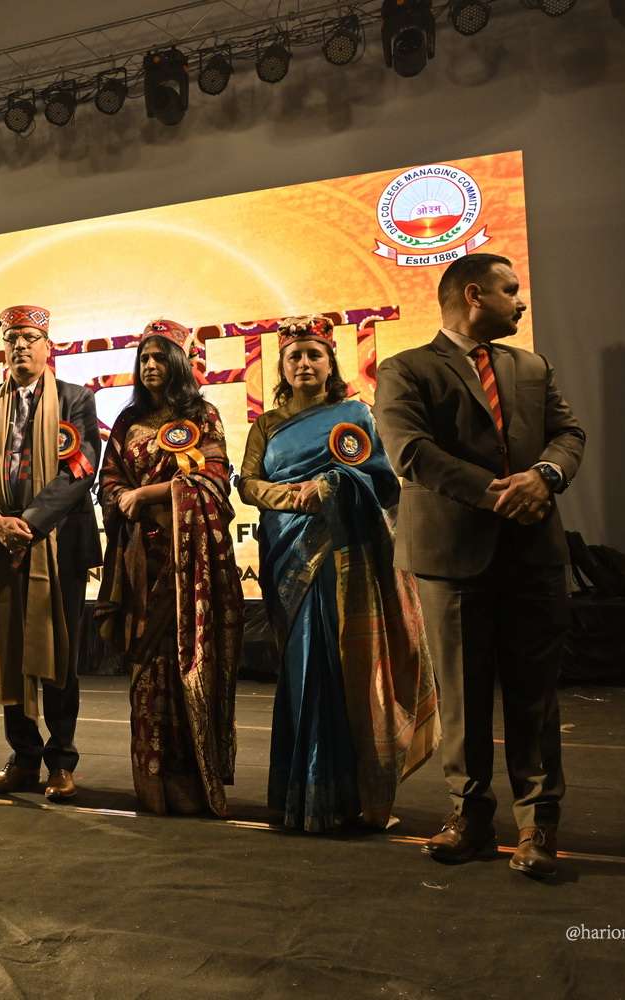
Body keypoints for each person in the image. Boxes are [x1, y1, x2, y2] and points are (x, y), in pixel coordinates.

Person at [374, 253, 585, 878]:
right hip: (451, 556)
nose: (520, 300)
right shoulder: (404, 368)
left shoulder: (531, 366)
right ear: (473, 295)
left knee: (535, 697)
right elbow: (410, 453)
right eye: (509, 290)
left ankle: (537, 825)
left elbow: (568, 434)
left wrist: (544, 476)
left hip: (533, 554)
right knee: (461, 697)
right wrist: (499, 494)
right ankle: (469, 817)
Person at [238, 315, 439, 832]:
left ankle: (354, 797)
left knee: (346, 663)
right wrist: (298, 497)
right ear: (282, 367)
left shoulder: (355, 414)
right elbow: (249, 484)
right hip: (289, 553)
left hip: (344, 554)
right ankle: (302, 797)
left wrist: (332, 487)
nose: (305, 363)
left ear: (331, 363)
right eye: (295, 356)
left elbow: (383, 480)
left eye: (315, 355)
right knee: (303, 667)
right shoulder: (267, 425)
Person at [95, 320, 244, 817]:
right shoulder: (127, 421)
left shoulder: (202, 415)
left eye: (160, 357)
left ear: (179, 363)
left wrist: (148, 495)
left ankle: (192, 785)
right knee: (147, 673)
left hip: (189, 564)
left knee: (188, 666)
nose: (151, 366)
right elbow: (109, 480)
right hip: (142, 562)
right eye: (144, 358)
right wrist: (125, 497)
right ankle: (154, 785)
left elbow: (214, 479)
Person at [0, 305, 100, 802]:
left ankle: (61, 760)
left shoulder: (76, 398)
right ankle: (22, 757)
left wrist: (31, 523)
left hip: (58, 543)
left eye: (30, 337)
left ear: (47, 346)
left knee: (59, 652)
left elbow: (81, 467)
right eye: (12, 338)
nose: (20, 345)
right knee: (11, 653)